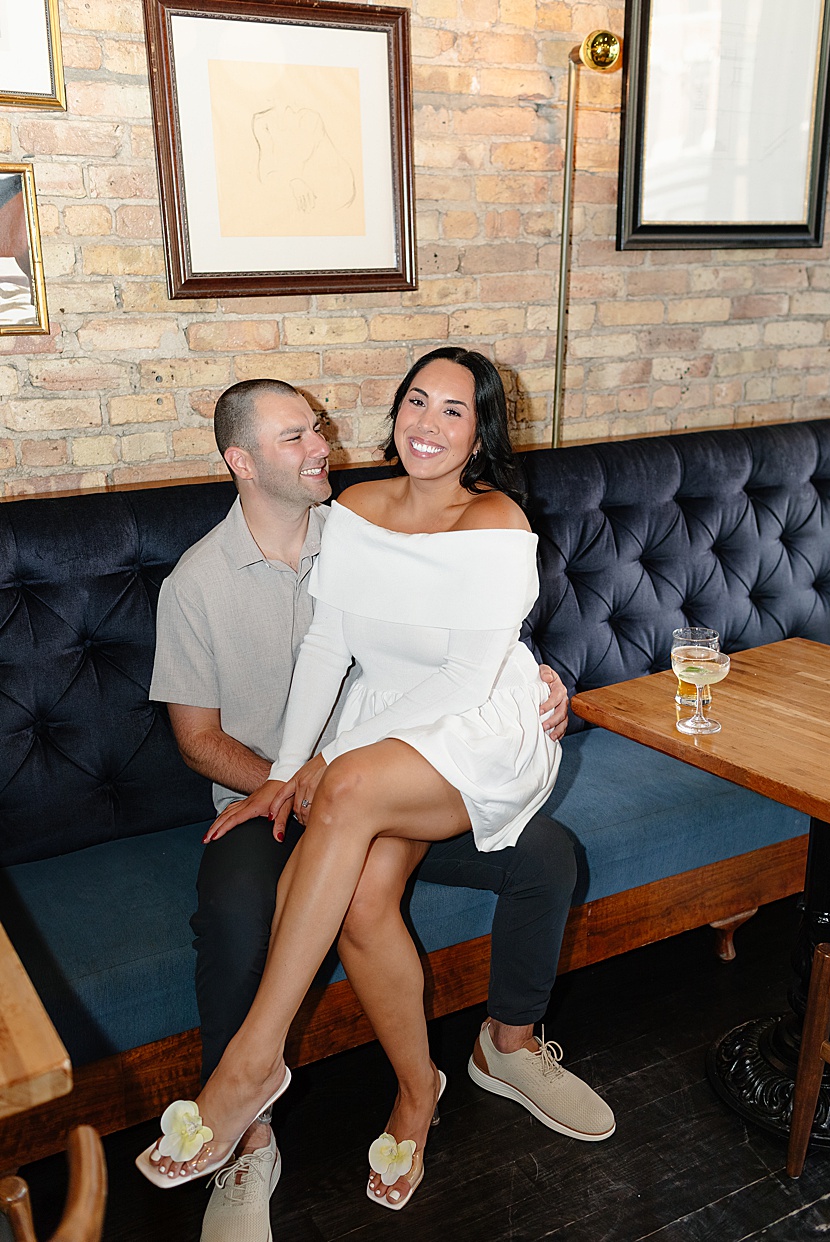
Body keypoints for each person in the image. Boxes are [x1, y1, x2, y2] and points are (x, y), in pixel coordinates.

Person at [138, 348, 601, 1212]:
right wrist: (285, 775)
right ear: (397, 416)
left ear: (478, 433)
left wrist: (321, 765)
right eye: (416, 401)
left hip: (479, 727)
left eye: (454, 411)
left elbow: (466, 681)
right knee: (359, 899)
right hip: (383, 724)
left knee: (346, 791)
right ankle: (419, 1089)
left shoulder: (496, 519)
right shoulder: (354, 509)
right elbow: (328, 647)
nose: (428, 423)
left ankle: (252, 1063)